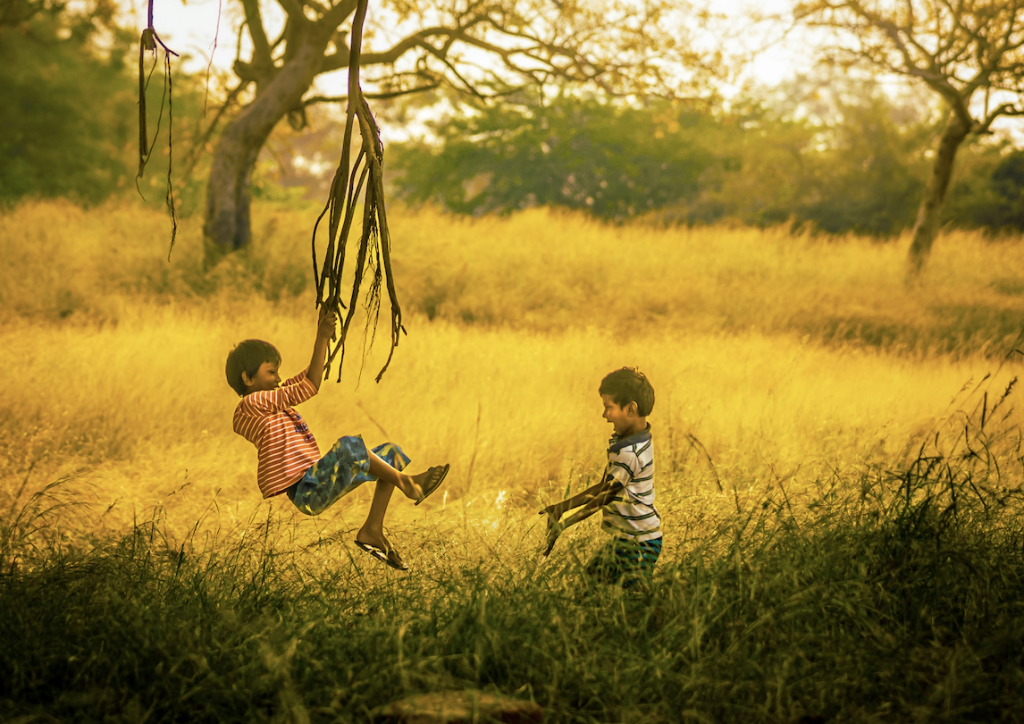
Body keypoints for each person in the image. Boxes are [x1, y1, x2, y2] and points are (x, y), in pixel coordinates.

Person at [226, 307, 449, 571]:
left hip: (317, 479)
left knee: (391, 454)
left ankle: (372, 530)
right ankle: (409, 485)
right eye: (271, 372)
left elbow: (306, 375)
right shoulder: (254, 402)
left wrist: (328, 343)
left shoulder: (266, 400)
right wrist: (321, 338)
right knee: (349, 446)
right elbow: (309, 385)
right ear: (247, 379)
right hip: (307, 489)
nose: (279, 378)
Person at [540, 367, 662, 588]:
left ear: (631, 408)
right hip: (625, 539)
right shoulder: (630, 440)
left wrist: (565, 523)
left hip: (639, 542)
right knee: (589, 588)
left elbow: (605, 496)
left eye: (608, 407)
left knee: (636, 599)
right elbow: (604, 487)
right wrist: (562, 507)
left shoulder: (630, 452)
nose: (604, 415)